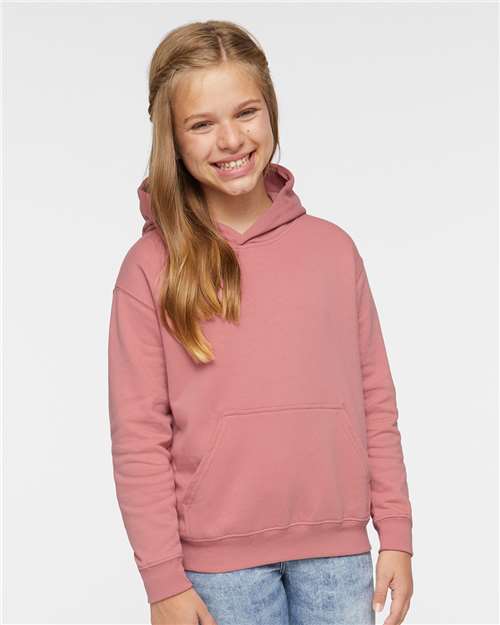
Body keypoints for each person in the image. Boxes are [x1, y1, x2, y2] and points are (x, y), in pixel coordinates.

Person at [107, 19, 414, 625]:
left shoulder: (333, 250)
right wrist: (162, 580)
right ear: (172, 138)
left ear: (271, 111)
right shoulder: (151, 266)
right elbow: (139, 436)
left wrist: (397, 531)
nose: (230, 139)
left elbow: (376, 400)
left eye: (245, 112)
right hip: (218, 570)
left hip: (338, 555)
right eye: (201, 124)